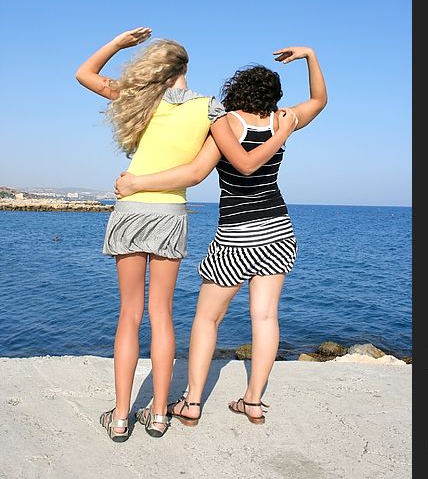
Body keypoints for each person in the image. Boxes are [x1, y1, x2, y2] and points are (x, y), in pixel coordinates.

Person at [75, 28, 298, 441]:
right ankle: (160, 414)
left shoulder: (138, 99)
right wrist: (280, 128)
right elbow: (200, 173)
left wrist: (117, 45)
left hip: (129, 210)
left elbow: (84, 74)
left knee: (129, 316)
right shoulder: (210, 109)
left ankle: (121, 417)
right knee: (162, 315)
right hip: (171, 213)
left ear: (154, 68)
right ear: (186, 69)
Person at [114, 46, 327, 426]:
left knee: (207, 319)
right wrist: (310, 58)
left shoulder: (225, 124)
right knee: (264, 318)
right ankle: (254, 403)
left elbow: (236, 166)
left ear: (234, 91)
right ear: (274, 96)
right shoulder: (285, 118)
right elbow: (320, 100)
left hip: (235, 235)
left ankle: (192, 403)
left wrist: (137, 183)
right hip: (278, 229)